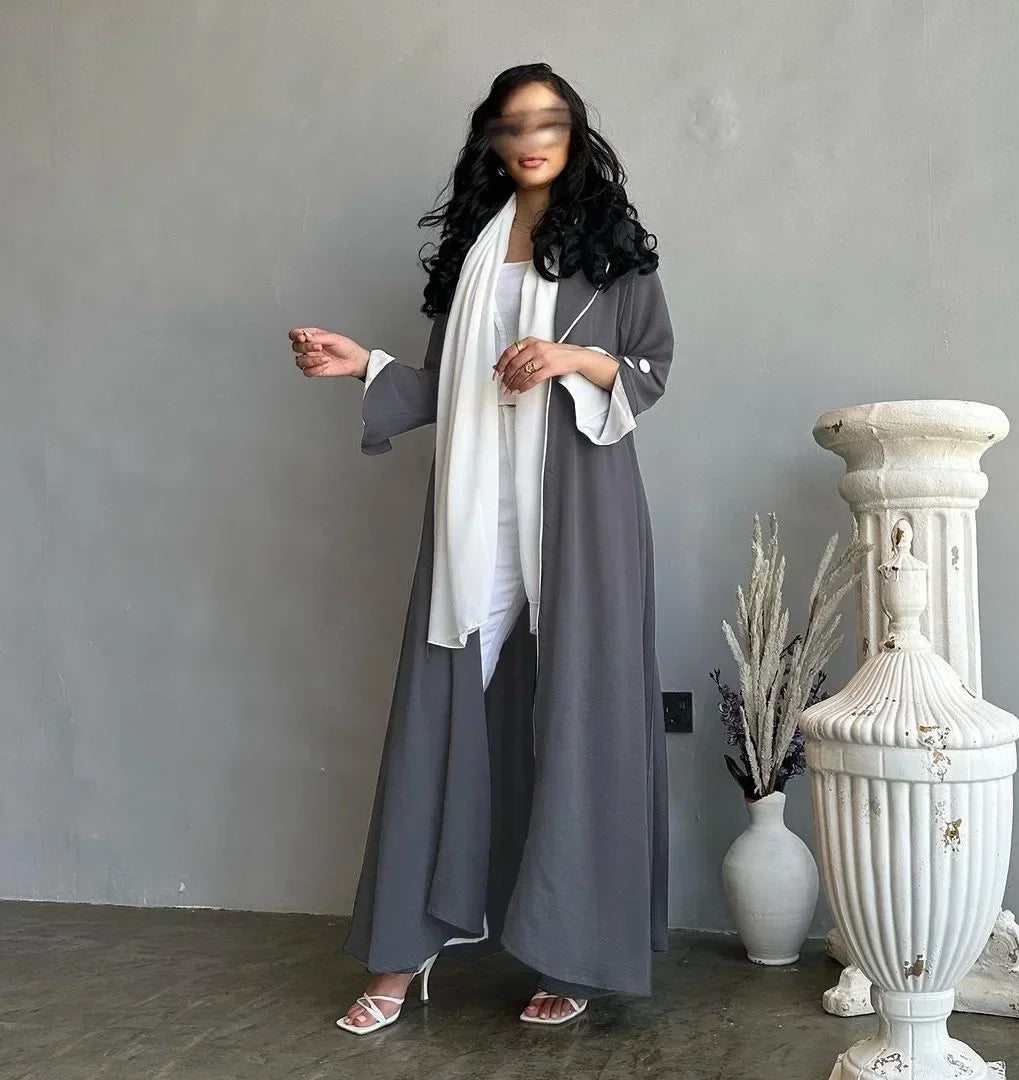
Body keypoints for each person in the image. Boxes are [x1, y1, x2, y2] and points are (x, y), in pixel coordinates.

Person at [289, 62, 675, 1032]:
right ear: (493, 141)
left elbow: (651, 369)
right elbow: (452, 386)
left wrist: (570, 357)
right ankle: (398, 959)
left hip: (580, 511)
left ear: (574, 133)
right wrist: (364, 367)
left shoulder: (613, 251)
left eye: (549, 122)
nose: (531, 140)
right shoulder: (476, 251)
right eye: (513, 125)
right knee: (440, 710)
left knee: (579, 710)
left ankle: (572, 953)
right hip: (476, 511)